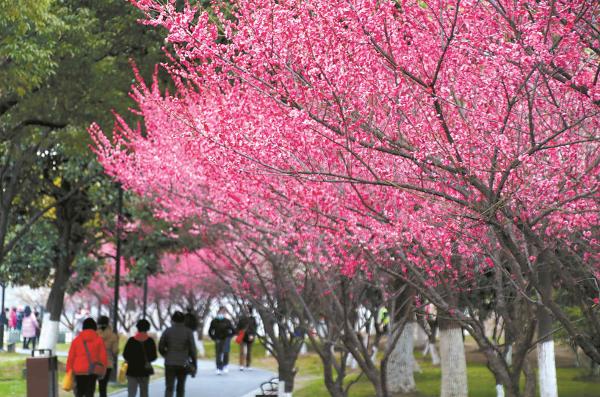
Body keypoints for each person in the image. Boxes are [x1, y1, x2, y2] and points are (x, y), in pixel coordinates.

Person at [159, 311, 197, 397]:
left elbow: (161, 347)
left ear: (172, 320)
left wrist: (166, 355)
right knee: (181, 387)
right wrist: (194, 364)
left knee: (169, 387)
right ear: (183, 320)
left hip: (169, 363)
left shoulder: (167, 331)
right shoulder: (188, 332)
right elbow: (192, 350)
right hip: (183, 363)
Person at [66, 318, 108, 397]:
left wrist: (69, 370)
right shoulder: (99, 340)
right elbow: (103, 357)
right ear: (94, 327)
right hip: (92, 371)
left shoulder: (76, 340)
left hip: (78, 371)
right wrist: (103, 371)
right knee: (90, 392)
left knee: (79, 392)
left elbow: (71, 357)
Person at [123, 319, 157, 397]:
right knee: (144, 393)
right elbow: (154, 356)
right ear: (147, 328)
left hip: (132, 370)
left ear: (137, 328)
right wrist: (147, 360)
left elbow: (125, 355)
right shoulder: (150, 341)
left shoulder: (131, 340)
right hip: (144, 371)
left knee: (131, 393)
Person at [97, 316, 119, 397]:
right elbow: (115, 351)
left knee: (93, 385)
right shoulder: (113, 335)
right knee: (103, 386)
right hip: (108, 363)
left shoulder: (95, 334)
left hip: (96, 363)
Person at [208, 306, 234, 375]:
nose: (222, 313)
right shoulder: (214, 321)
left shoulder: (227, 321)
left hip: (226, 339)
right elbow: (210, 331)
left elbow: (233, 330)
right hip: (218, 339)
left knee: (225, 352)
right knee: (218, 353)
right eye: (221, 312)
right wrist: (213, 337)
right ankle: (218, 367)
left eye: (223, 312)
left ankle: (225, 365)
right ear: (218, 312)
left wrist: (229, 336)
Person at [235, 305, 258, 370]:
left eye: (247, 309)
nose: (246, 310)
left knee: (249, 351)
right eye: (245, 309)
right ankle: (241, 365)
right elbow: (237, 327)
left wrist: (252, 335)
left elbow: (255, 328)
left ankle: (248, 365)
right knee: (242, 351)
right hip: (242, 336)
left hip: (250, 336)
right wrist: (238, 334)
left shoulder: (253, 319)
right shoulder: (241, 318)